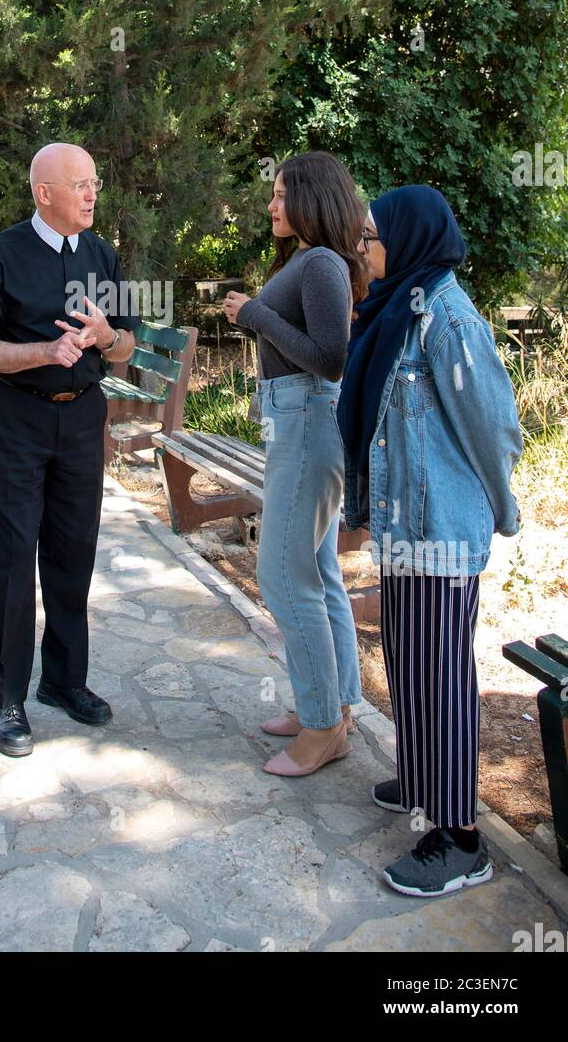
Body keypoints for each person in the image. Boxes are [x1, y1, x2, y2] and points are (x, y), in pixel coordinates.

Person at [337, 185, 522, 897]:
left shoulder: (446, 318)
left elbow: (493, 429)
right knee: (408, 658)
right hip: (405, 524)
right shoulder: (400, 308)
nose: (363, 249)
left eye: (372, 238)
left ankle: (458, 839)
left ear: (411, 240)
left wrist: (498, 512)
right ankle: (420, 779)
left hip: (441, 529)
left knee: (439, 676)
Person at [0, 143, 139, 756]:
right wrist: (42, 352)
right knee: (13, 559)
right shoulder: (1, 254)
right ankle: (6, 698)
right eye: (80, 184)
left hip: (82, 422)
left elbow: (126, 348)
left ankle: (64, 682)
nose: (92, 194)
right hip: (15, 421)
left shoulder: (101, 255)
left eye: (95, 182)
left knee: (73, 554)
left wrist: (107, 335)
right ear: (45, 194)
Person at [223, 151, 367, 777]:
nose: (272, 205)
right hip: (297, 421)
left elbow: (331, 358)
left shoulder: (322, 265)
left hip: (308, 420)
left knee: (283, 575)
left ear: (313, 198)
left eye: (282, 195)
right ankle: (334, 708)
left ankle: (320, 728)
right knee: (318, 570)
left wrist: (253, 314)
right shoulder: (312, 261)